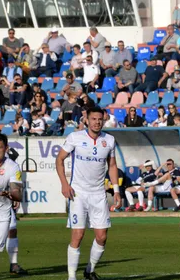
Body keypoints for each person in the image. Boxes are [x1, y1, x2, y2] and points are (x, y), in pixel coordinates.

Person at [56, 107, 121, 280]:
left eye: (100, 119)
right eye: (93, 119)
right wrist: (64, 184)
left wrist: (116, 190)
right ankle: (71, 277)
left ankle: (89, 270)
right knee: (78, 235)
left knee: (102, 237)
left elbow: (112, 166)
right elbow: (59, 159)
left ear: (103, 120)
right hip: (78, 193)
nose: (97, 122)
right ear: (87, 119)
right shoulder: (75, 137)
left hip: (99, 194)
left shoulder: (109, 140)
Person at [0, 132, 23, 275]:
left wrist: (10, 194)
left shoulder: (12, 167)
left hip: (1, 212)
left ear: (6, 148)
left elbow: (18, 193)